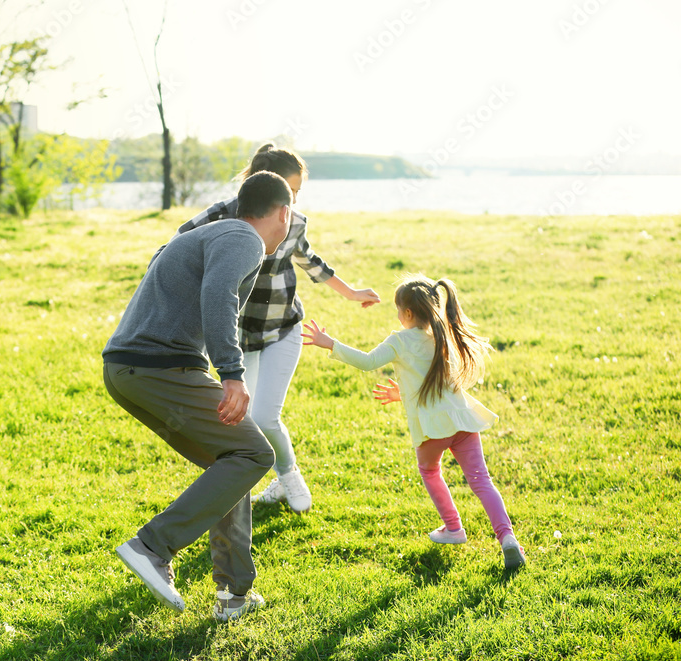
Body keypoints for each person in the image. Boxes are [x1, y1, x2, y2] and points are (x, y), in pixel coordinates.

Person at [103, 171, 294, 621]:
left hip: (133, 368)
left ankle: (234, 594)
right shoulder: (243, 238)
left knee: (234, 456)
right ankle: (151, 546)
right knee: (253, 456)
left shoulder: (215, 231)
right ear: (283, 213)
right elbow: (218, 294)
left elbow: (168, 266)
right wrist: (232, 373)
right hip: (155, 366)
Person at [174, 143, 380, 515]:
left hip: (283, 327)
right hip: (238, 338)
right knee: (242, 419)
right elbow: (179, 241)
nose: (295, 201)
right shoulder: (223, 215)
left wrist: (351, 292)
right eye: (293, 191)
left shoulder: (294, 222)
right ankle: (251, 485)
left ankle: (289, 476)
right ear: (264, 183)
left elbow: (310, 261)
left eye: (297, 194)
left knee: (266, 414)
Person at [301, 274, 526, 569]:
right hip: (462, 420)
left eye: (398, 310)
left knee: (430, 471)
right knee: (482, 481)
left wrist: (330, 343)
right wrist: (404, 393)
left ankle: (454, 528)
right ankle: (508, 538)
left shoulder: (399, 341)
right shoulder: (443, 333)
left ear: (407, 313)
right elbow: (434, 379)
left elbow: (367, 362)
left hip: (431, 429)